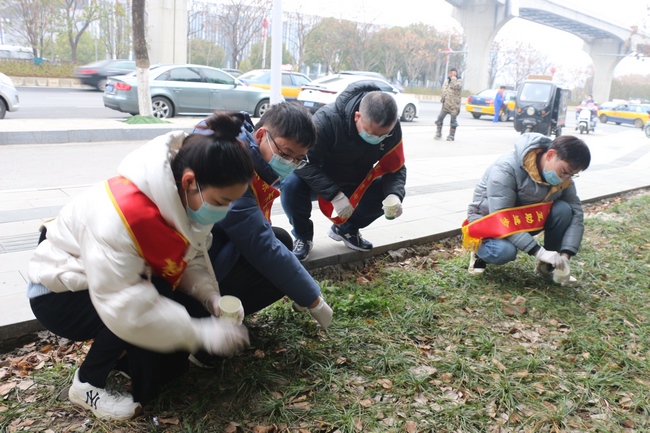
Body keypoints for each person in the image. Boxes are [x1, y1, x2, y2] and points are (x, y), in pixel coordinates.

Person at [26, 113, 255, 421]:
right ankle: (87, 385)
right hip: (57, 294)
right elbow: (125, 304)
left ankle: (123, 359)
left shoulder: (180, 196)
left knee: (166, 353)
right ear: (190, 182)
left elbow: (191, 255)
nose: (225, 211)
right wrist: (200, 334)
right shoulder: (122, 217)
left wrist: (209, 296)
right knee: (141, 307)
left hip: (107, 280)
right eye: (223, 201)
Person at [188, 103, 332, 364]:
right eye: (287, 154)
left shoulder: (242, 148)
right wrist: (313, 299)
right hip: (185, 264)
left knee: (282, 241)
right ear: (260, 135)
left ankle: (220, 318)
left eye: (299, 159)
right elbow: (260, 243)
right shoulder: (229, 164)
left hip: (205, 243)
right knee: (274, 258)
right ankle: (202, 341)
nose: (290, 164)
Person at [281, 82, 406, 261]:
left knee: (387, 194)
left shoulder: (391, 128)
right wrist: (334, 195)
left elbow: (396, 165)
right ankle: (303, 236)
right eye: (371, 133)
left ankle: (347, 230)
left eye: (383, 135)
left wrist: (395, 194)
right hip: (320, 179)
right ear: (357, 116)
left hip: (357, 181)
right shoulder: (326, 120)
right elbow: (304, 163)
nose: (377, 139)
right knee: (291, 183)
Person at [463, 133, 591, 286]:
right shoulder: (506, 168)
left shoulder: (563, 176)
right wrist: (539, 252)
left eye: (572, 175)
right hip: (490, 220)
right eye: (564, 171)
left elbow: (576, 213)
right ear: (550, 155)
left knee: (564, 210)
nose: (565, 178)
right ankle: (479, 252)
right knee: (504, 252)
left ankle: (549, 265)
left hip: (526, 220)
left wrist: (565, 255)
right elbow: (502, 217)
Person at [434, 67, 462, 141]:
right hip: (445, 104)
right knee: (439, 118)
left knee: (453, 121)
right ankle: (438, 133)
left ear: (456, 73)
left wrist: (453, 78)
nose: (451, 75)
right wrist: (442, 99)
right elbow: (444, 90)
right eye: (450, 73)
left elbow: (457, 87)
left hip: (454, 105)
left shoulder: (459, 81)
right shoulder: (447, 81)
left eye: (453, 73)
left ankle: (451, 136)